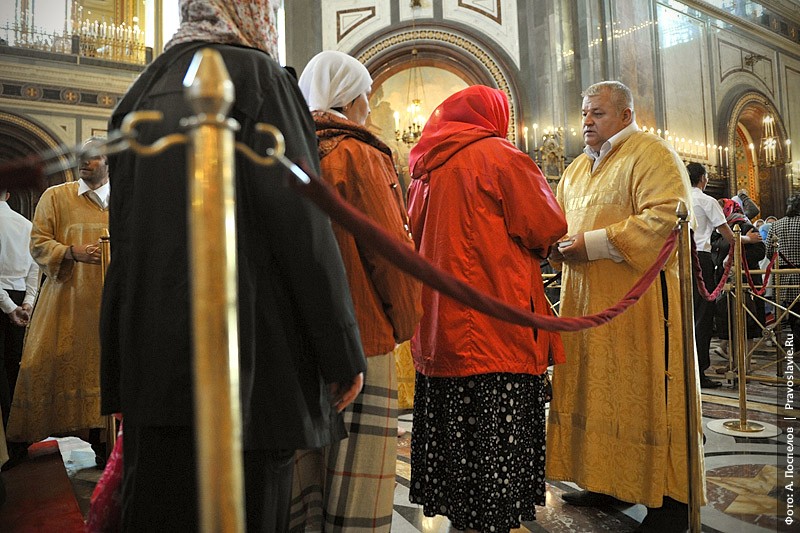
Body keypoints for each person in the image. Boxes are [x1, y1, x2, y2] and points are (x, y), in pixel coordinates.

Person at [99, 1, 367, 531]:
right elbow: (304, 229)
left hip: (154, 363)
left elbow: (125, 240)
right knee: (245, 510)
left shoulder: (143, 88)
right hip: (249, 363)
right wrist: (341, 349)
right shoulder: (260, 79)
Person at [406, 85, 567, 533]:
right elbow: (545, 225)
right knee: (498, 436)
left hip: (441, 326)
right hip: (498, 322)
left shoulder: (424, 167)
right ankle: (491, 516)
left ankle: (463, 515)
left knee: (456, 433)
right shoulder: (502, 157)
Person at [547, 81, 702, 532]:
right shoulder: (576, 168)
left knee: (650, 392)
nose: (587, 122)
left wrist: (591, 244)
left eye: (596, 113)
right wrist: (554, 245)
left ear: (626, 114)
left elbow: (665, 217)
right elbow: (558, 221)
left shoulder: (651, 154)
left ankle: (672, 500)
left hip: (641, 310)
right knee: (597, 392)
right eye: (584, 114)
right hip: (586, 306)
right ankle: (606, 478)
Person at [290, 49, 422, 532]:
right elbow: (390, 253)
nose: (370, 105)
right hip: (362, 333)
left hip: (297, 337)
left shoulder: (285, 149)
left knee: (305, 474)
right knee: (357, 478)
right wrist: (405, 322)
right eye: (366, 94)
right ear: (349, 99)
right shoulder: (359, 153)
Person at [6, 138, 109, 464]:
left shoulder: (128, 200)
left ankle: (108, 446)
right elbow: (37, 245)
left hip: (111, 303)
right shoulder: (57, 196)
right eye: (82, 157)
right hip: (67, 303)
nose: (85, 163)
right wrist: (72, 252)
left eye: (93, 158)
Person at [686, 163, 761, 388]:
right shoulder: (707, 201)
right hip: (701, 259)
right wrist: (749, 239)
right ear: (703, 178)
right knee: (702, 317)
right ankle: (699, 371)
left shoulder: (677, 200)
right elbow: (730, 236)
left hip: (678, 260)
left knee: (684, 316)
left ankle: (683, 369)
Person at [0, 189, 39, 428]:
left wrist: (7, 306)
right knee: (14, 367)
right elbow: (36, 267)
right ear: (9, 193)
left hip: (5, 299)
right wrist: (27, 302)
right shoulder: (26, 225)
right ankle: (18, 438)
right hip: (18, 297)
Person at [711, 199, 766, 359]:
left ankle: (745, 361)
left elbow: (760, 251)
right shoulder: (718, 229)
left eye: (721, 210)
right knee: (728, 320)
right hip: (725, 281)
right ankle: (733, 360)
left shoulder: (745, 226)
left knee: (747, 321)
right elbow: (715, 249)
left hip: (746, 280)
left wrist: (738, 258)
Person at [767, 195, 800, 342]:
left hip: (782, 275)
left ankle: (790, 344)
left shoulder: (776, 225)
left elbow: (768, 251)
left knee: (788, 311)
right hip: (798, 274)